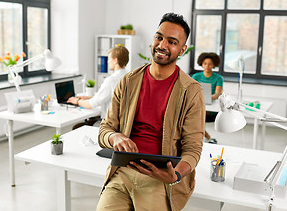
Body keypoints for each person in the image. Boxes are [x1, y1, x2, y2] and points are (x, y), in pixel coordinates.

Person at [97, 13, 205, 211]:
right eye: (159, 37)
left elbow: (193, 148)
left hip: (159, 180)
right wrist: (115, 136)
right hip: (121, 173)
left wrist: (176, 175)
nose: (162, 45)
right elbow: (105, 129)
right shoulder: (128, 81)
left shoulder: (191, 91)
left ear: (182, 50)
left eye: (172, 42)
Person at [67, 45, 129, 126]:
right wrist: (89, 97)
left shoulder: (111, 80)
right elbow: (111, 97)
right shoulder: (130, 77)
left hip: (110, 125)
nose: (107, 61)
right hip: (125, 123)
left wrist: (77, 101)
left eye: (109, 58)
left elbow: (91, 105)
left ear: (115, 60)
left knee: (77, 126)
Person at [192, 52, 223, 144]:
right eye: (205, 63)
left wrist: (209, 98)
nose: (207, 66)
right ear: (201, 63)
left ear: (214, 65)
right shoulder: (196, 76)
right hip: (198, 102)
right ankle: (207, 138)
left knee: (196, 118)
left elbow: (217, 94)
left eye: (210, 64)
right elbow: (192, 91)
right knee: (193, 117)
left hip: (211, 106)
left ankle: (207, 138)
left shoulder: (218, 78)